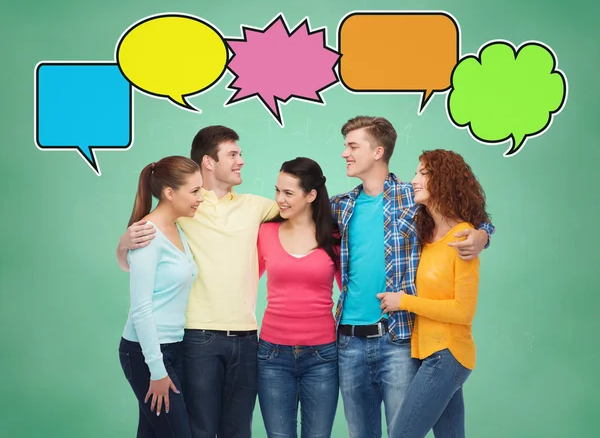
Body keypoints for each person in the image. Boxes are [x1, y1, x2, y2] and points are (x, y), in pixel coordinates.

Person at [330, 116, 496, 438]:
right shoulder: (341, 205)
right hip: (348, 341)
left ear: (378, 151)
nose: (344, 153)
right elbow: (293, 210)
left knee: (403, 430)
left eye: (352, 145)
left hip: (398, 338)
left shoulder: (412, 198)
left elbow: (473, 220)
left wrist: (482, 236)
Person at [116, 126, 279, 438]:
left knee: (227, 431)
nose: (241, 161)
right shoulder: (183, 206)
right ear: (208, 162)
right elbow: (138, 282)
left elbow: (298, 207)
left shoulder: (250, 206)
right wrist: (123, 243)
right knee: (191, 429)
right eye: (233, 154)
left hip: (232, 338)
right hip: (188, 340)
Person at [377, 149, 490, 438]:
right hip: (429, 354)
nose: (415, 179)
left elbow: (462, 312)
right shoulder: (426, 235)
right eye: (416, 172)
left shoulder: (463, 238)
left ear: (444, 181)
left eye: (423, 173)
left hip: (447, 354)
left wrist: (404, 301)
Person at [256, 157, 342, 438]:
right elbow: (242, 282)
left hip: (322, 356)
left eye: (288, 193)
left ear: (311, 195)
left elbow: (351, 291)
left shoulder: (334, 236)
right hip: (271, 355)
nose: (279, 199)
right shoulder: (265, 232)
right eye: (277, 190)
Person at [118, 155, 203, 438]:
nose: (200, 198)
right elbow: (141, 309)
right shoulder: (147, 234)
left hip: (173, 347)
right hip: (146, 353)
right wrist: (156, 369)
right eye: (194, 191)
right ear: (169, 192)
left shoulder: (177, 229)